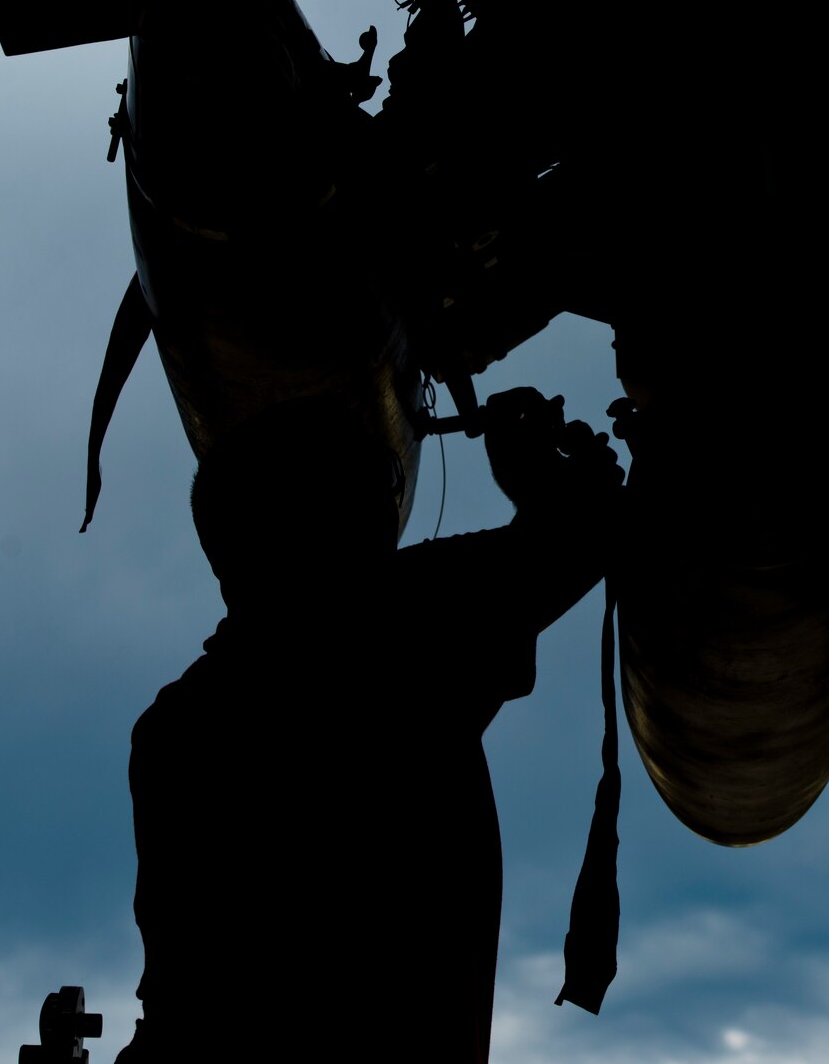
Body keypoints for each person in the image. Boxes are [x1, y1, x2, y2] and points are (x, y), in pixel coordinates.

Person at [116, 388, 621, 1062]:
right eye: (382, 478)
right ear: (336, 516)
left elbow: (183, 991)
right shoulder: (400, 627)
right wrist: (526, 462)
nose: (394, 500)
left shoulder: (174, 732)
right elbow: (583, 528)